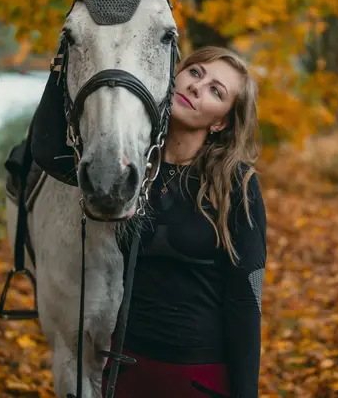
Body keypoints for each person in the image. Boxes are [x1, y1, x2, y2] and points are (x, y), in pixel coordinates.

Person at [102, 46, 267, 398]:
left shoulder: (236, 184)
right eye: (195, 73)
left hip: (198, 377)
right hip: (125, 369)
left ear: (220, 121)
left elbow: (246, 300)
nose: (196, 87)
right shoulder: (132, 168)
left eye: (215, 91)